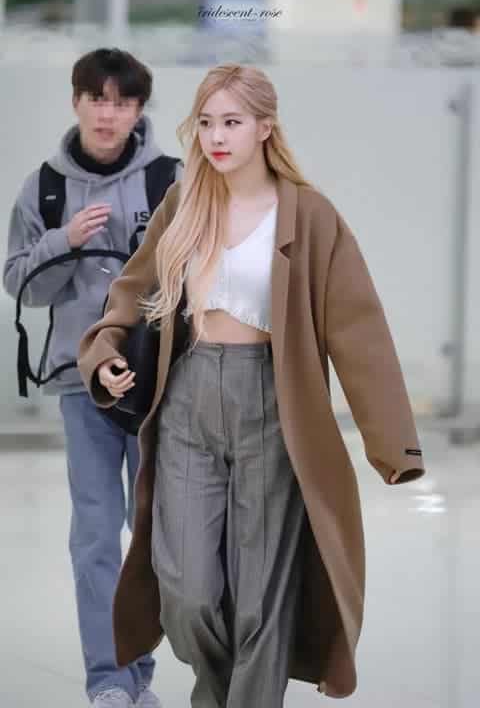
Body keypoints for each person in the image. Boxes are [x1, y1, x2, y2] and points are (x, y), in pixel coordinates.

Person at [77, 63, 426, 707]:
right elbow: (132, 290)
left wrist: (392, 443)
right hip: (186, 401)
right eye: (206, 122)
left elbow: (359, 331)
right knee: (185, 591)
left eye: (232, 122)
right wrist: (103, 353)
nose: (216, 136)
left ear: (266, 127)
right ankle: (221, 693)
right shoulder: (184, 204)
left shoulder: (310, 216)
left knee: (260, 600)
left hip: (273, 405)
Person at [3, 48, 183, 708]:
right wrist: (65, 240)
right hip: (82, 388)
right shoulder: (44, 187)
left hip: (159, 386)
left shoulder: (171, 179)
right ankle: (109, 681)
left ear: (139, 110)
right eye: (97, 99)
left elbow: (203, 271)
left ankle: (139, 672)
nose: (108, 114)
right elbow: (22, 285)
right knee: (95, 537)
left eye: (123, 101)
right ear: (76, 101)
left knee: (157, 535)